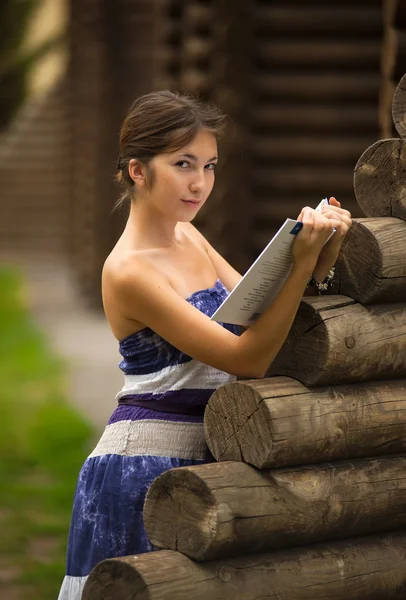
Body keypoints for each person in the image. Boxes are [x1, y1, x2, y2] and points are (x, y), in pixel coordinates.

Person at [57, 90, 352, 599]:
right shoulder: (128, 269)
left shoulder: (188, 237)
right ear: (138, 171)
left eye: (210, 166)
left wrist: (321, 249)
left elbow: (258, 318)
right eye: (183, 164)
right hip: (139, 473)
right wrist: (301, 263)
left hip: (210, 457)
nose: (200, 183)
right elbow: (248, 357)